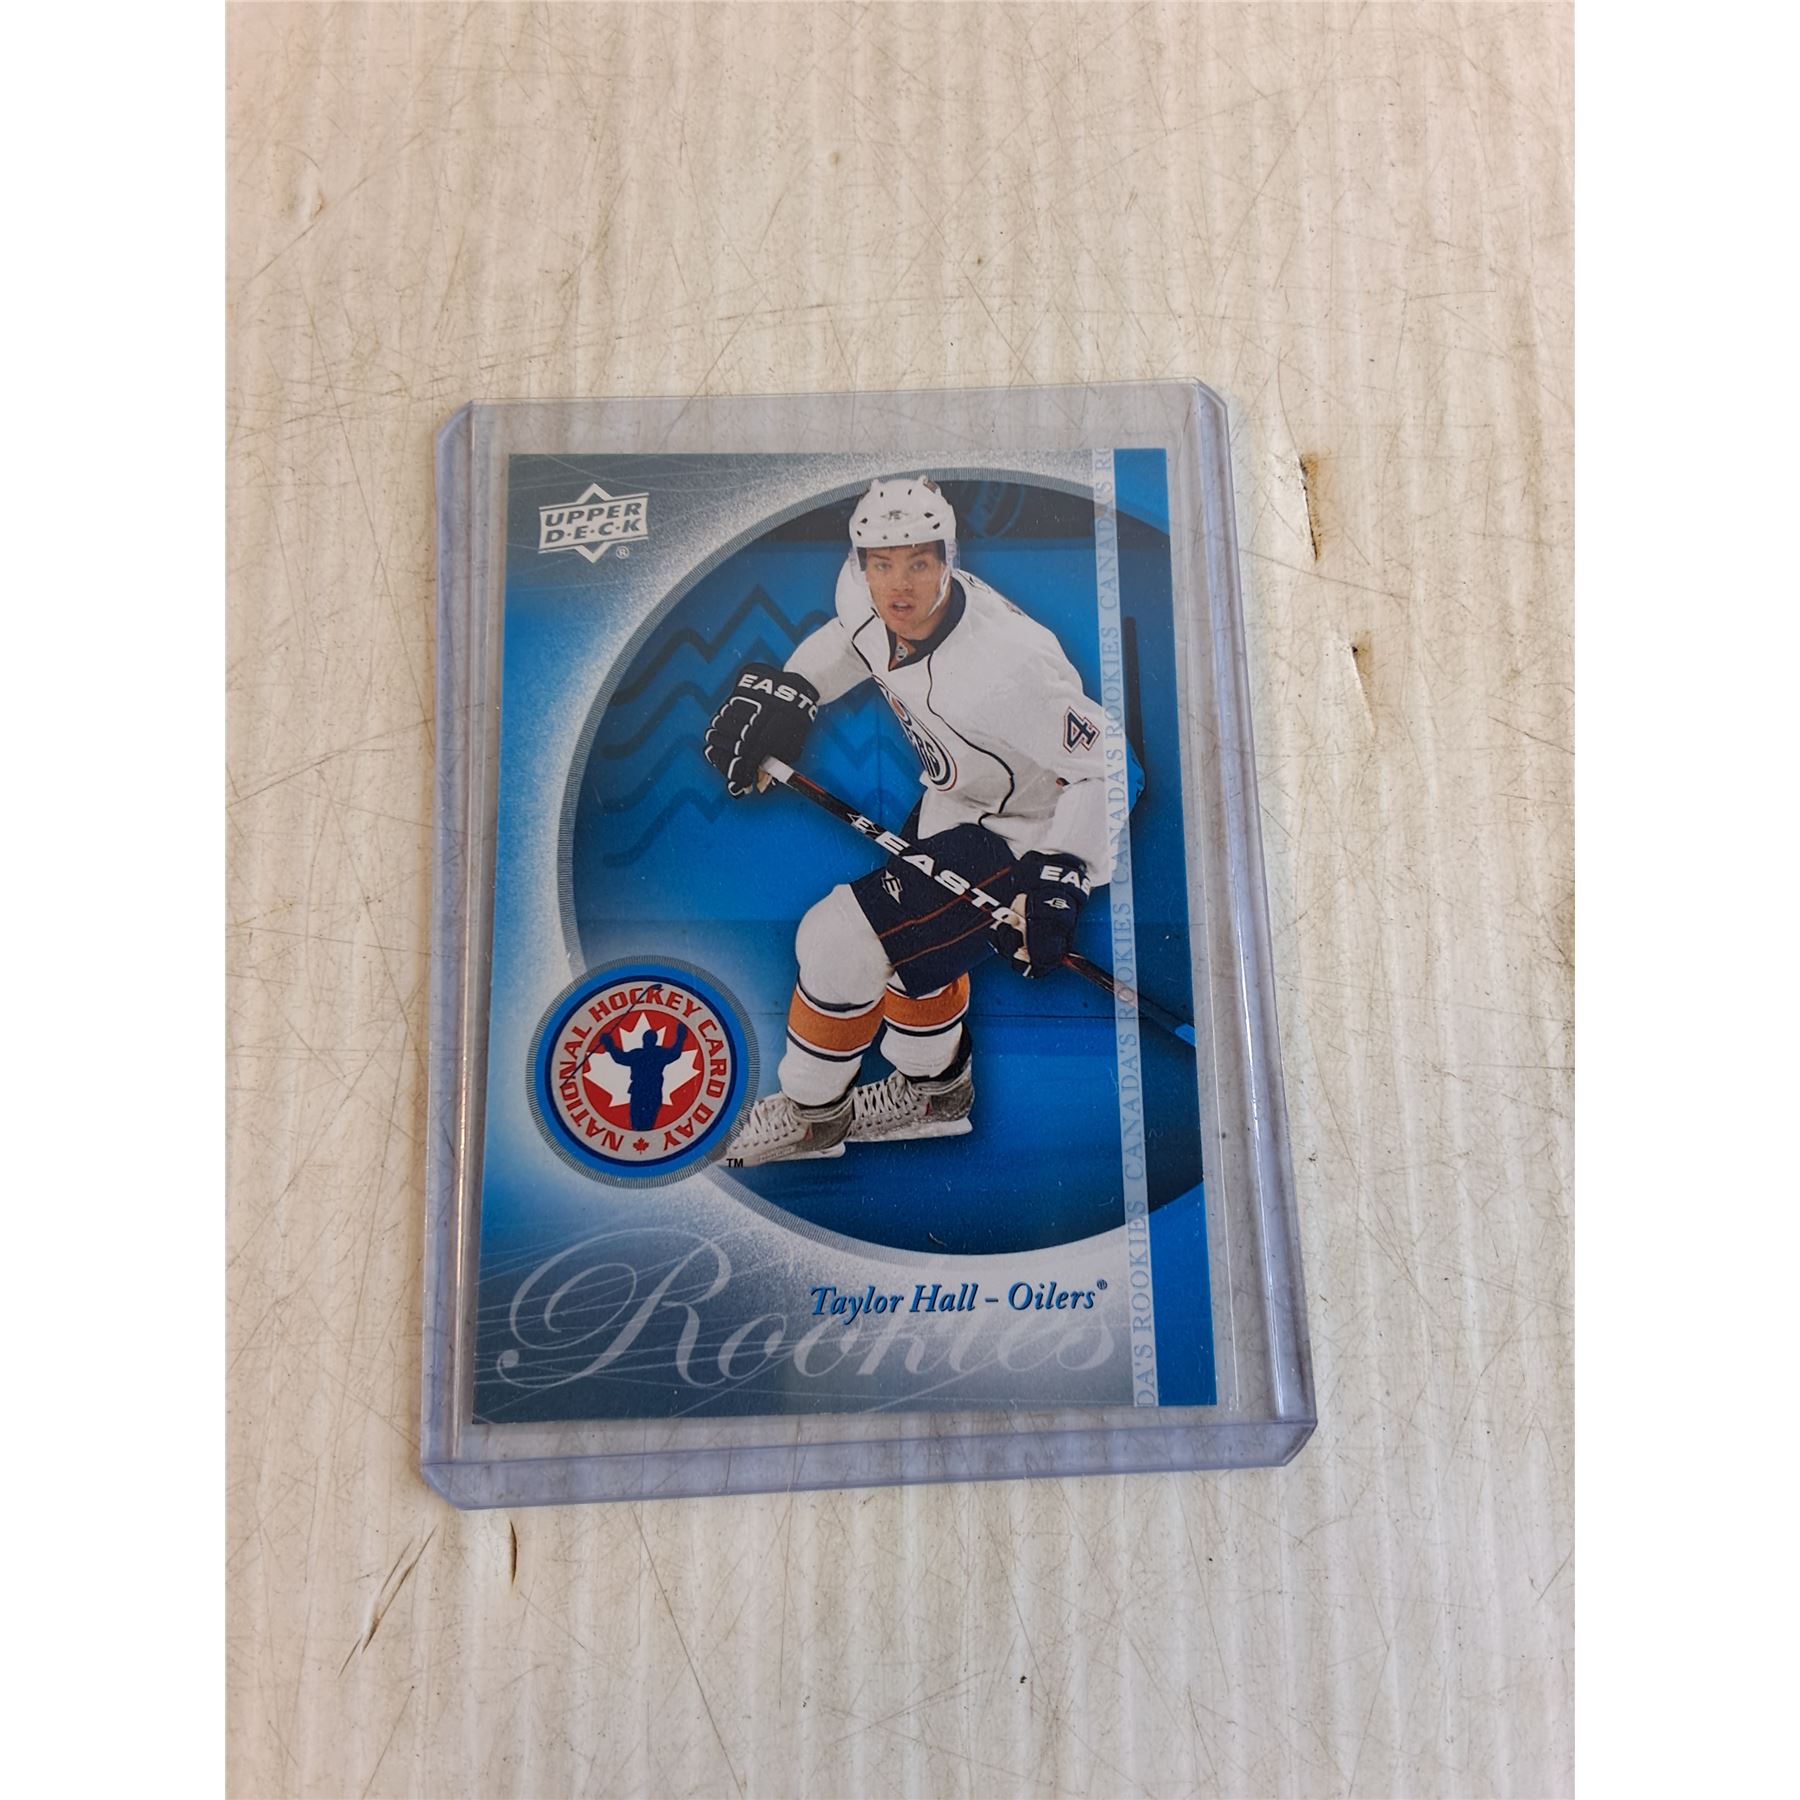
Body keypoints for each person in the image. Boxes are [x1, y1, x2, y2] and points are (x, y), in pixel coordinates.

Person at [703, 477, 1115, 1166]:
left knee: (838, 941)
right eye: (882, 563)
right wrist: (796, 693)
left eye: (919, 562)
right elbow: (850, 639)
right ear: (861, 562)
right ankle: (935, 1095)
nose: (898, 584)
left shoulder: (1011, 665)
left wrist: (1063, 875)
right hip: (956, 799)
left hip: (1025, 833)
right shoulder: (863, 595)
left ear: (948, 559)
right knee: (914, 957)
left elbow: (1108, 767)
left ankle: (813, 1115)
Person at [595, 1022, 691, 1132]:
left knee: (645, 1121)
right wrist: (609, 1045)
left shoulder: (650, 1053)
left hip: (649, 1091)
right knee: (638, 1121)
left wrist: (609, 1045)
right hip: (643, 1091)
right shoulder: (653, 1053)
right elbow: (620, 1057)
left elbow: (620, 1057)